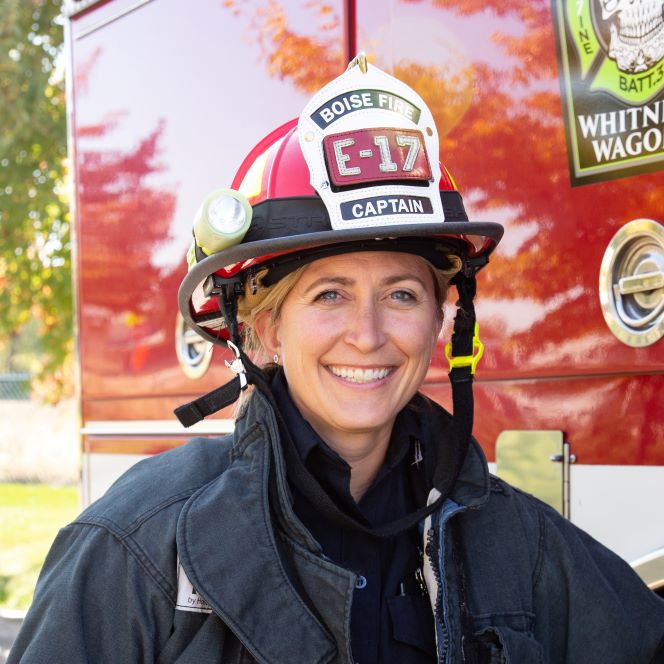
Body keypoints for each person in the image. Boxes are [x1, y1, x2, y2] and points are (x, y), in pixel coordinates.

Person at [9, 55, 664, 664]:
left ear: (441, 321)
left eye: (402, 294)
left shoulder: (514, 539)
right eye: (329, 294)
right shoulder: (140, 547)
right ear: (262, 333)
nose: (369, 333)